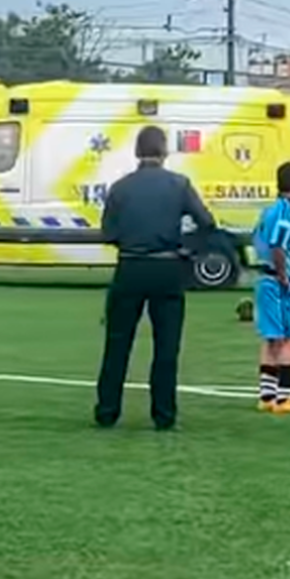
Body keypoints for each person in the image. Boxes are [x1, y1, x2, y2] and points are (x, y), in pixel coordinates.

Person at [95, 125, 215, 431]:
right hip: (167, 269)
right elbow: (206, 223)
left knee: (117, 342)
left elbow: (108, 233)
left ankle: (107, 410)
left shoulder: (120, 188)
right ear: (164, 151)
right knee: (166, 345)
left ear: (137, 151)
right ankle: (163, 414)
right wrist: (186, 249)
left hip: (130, 267)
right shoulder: (179, 184)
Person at [251, 161, 290, 418]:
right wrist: (284, 276)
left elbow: (260, 240)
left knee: (272, 339)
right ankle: (284, 398)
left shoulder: (270, 210)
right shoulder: (287, 211)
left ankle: (267, 397)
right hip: (280, 284)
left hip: (264, 281)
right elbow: (278, 244)